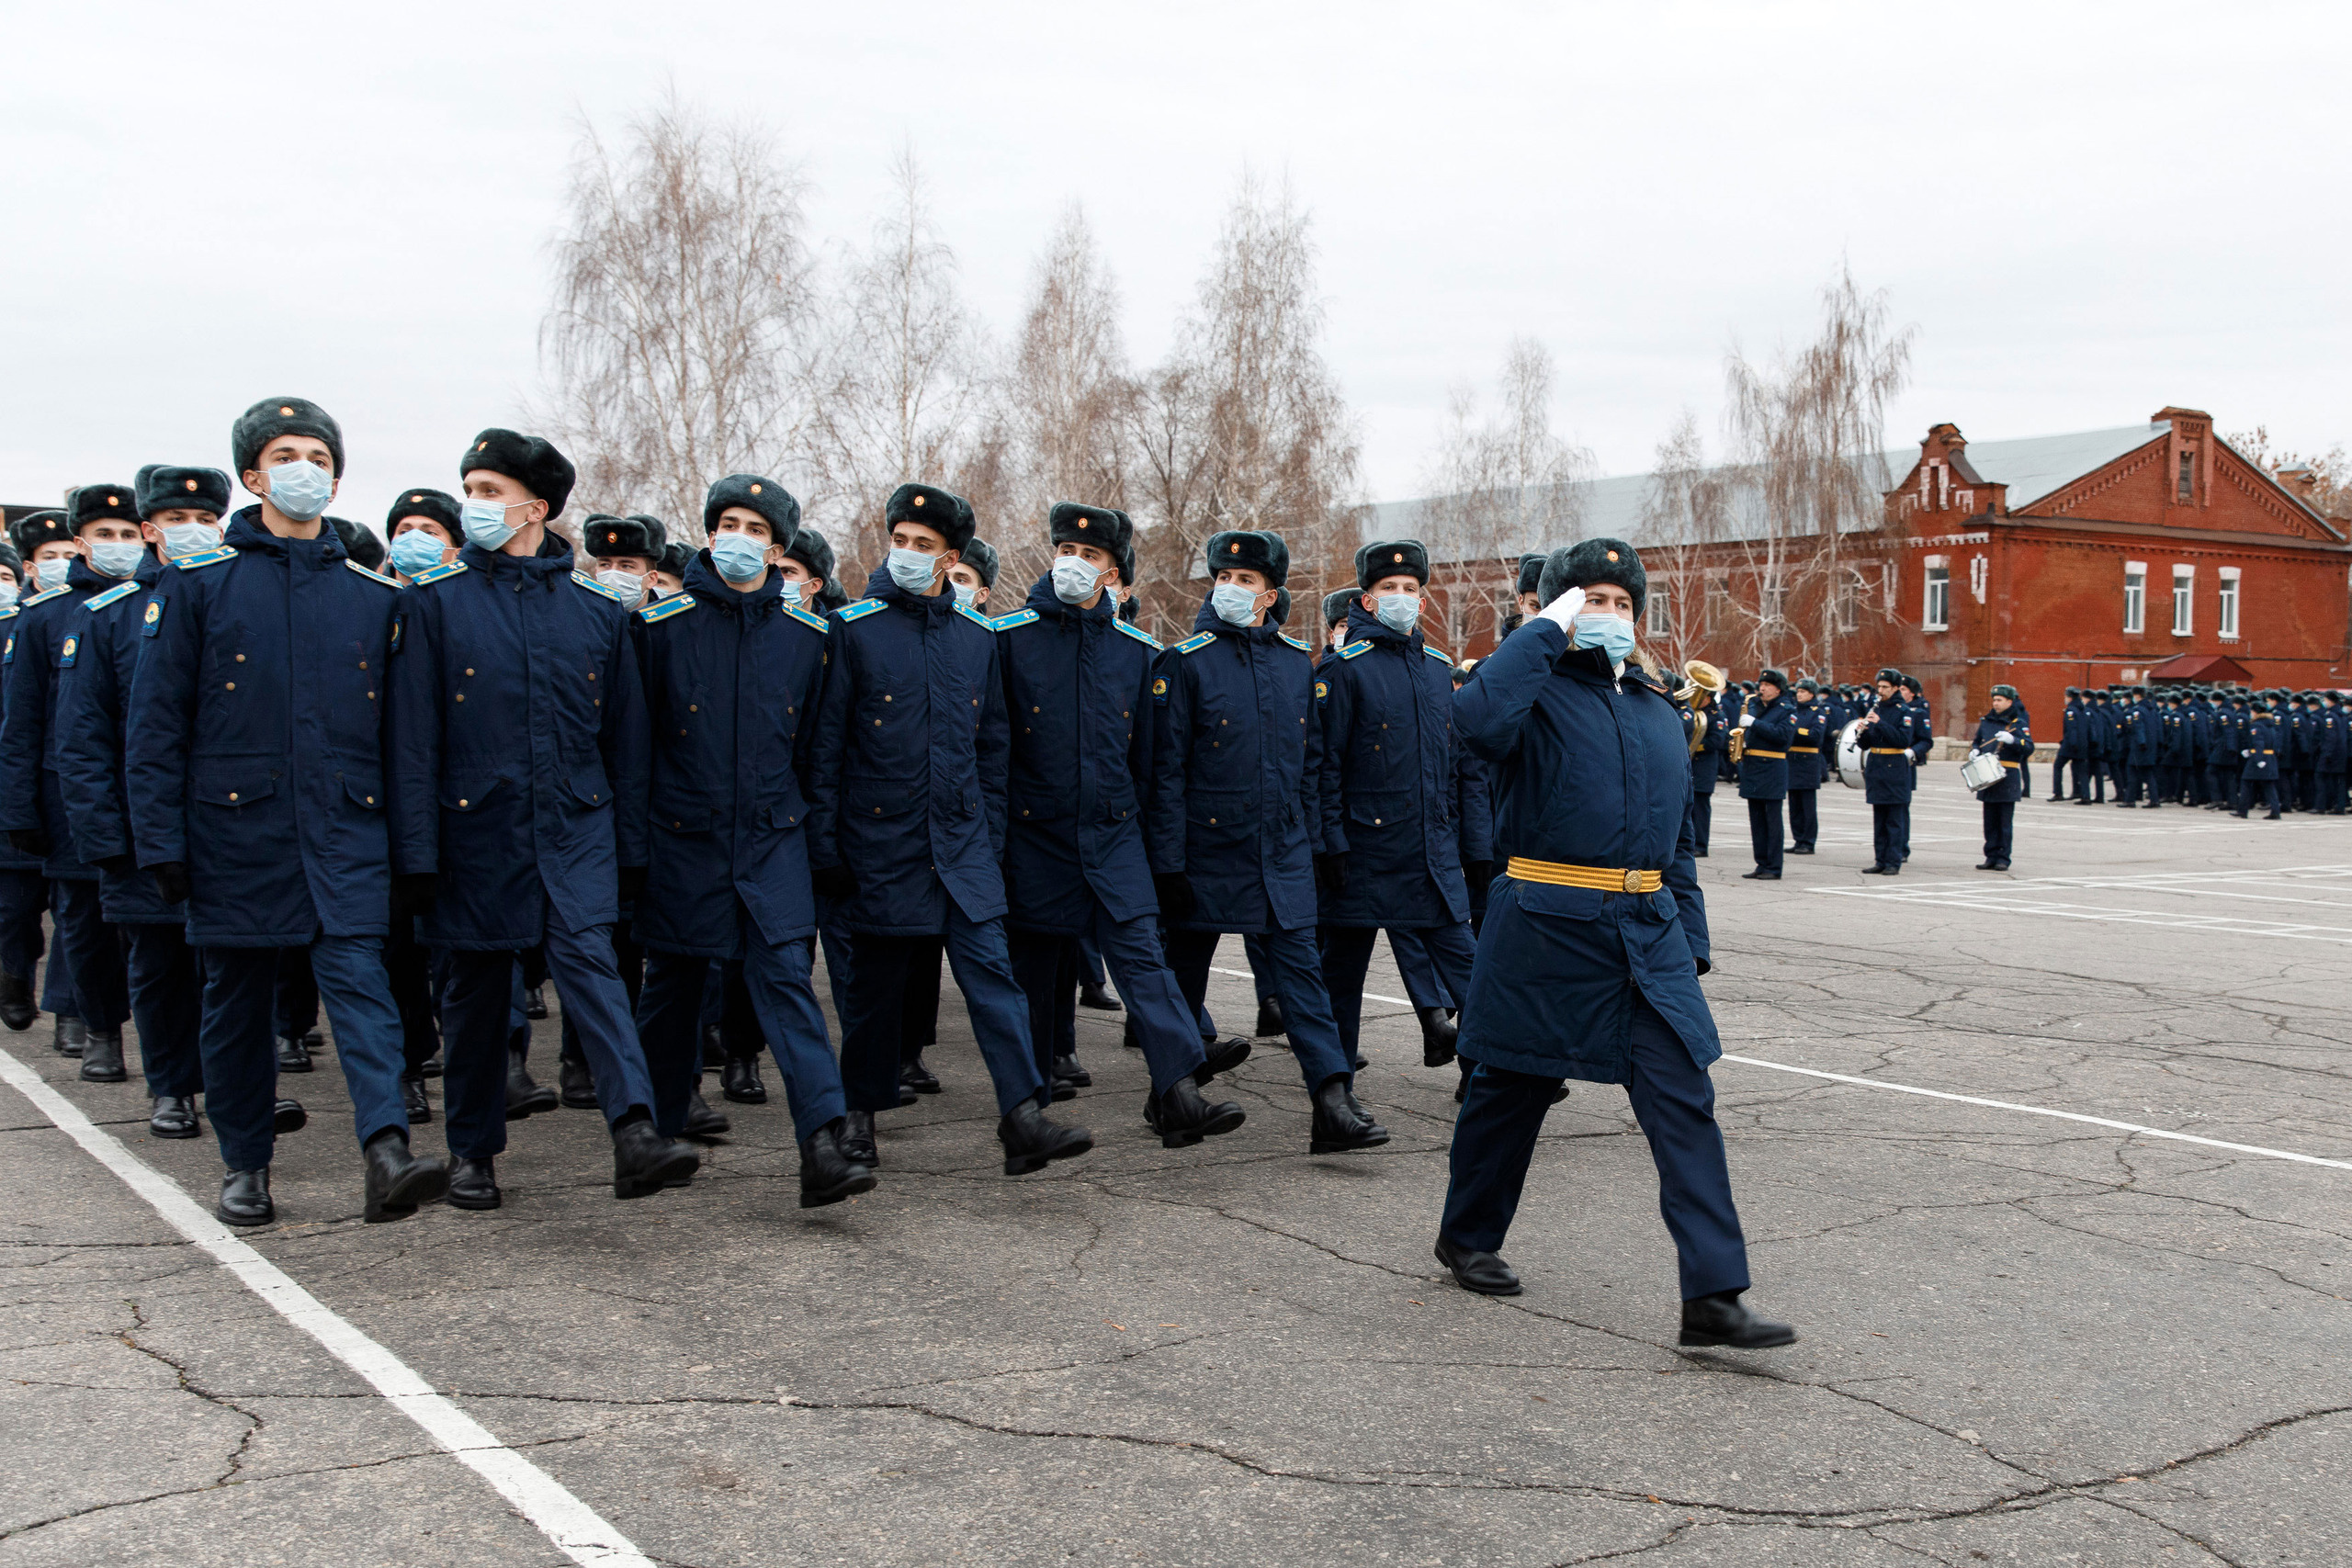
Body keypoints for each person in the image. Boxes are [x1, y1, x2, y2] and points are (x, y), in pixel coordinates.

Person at [1433, 536, 1792, 1347]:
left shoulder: (1657, 710)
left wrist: (1689, 940)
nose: (1612, 615)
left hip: (1645, 937)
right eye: (1592, 599)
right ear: (1561, 610)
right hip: (1545, 930)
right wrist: (1546, 630)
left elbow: (1678, 840)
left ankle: (1712, 1294)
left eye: (1623, 602)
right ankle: (1467, 1235)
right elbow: (1476, 722)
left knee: (1684, 1100)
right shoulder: (1528, 695)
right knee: (1509, 1095)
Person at [126, 396, 440, 1224]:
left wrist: (413, 852)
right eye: (288, 454)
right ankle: (245, 1164)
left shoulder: (374, 598)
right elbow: (155, 727)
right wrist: (159, 844)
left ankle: (386, 1150)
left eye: (321, 457)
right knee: (237, 1004)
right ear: (254, 474)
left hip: (345, 828)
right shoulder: (197, 588)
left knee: (362, 989)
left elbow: (403, 741)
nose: (307, 469)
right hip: (235, 833)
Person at [386, 426, 698, 1207]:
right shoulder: (434, 604)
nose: (474, 505)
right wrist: (416, 857)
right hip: (476, 834)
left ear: (537, 507)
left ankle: (634, 1131)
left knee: (594, 974)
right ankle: (472, 1153)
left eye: (489, 492)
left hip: (575, 827)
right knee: (478, 996)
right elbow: (414, 741)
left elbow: (625, 742)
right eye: (472, 489)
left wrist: (629, 850)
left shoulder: (596, 612)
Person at [806, 482, 1093, 1175]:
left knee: (994, 981)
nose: (906, 553)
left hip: (961, 848)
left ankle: (1022, 1116)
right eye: (899, 540)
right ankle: (858, 1118)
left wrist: (988, 842)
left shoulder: (976, 638)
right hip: (880, 845)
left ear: (950, 556)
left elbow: (992, 751)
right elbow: (825, 751)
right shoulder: (854, 630)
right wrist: (826, 848)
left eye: (922, 545)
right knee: (876, 996)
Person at [628, 474, 874, 1206]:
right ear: (709, 533)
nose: (739, 536)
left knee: (787, 987)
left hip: (772, 843)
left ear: (776, 547)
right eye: (727, 522)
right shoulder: (659, 628)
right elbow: (635, 752)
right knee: (670, 993)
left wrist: (818, 843)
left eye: (756, 528)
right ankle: (651, 1135)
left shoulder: (807, 639)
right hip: (683, 841)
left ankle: (821, 1143)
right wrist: (632, 854)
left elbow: (817, 754)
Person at [994, 502, 1247, 1145]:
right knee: (1030, 980)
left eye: (1090, 556)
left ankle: (1179, 1093)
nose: (1073, 563)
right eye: (1065, 551)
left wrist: (1161, 855)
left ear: (1112, 572)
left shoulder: (1136, 652)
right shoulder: (1008, 640)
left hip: (1112, 838)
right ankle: (1023, 1112)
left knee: (1146, 964)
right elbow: (991, 756)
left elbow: (1153, 767)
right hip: (1035, 838)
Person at [1149, 528, 1387, 1155]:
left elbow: (1309, 765)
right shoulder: (1187, 661)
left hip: (1279, 851)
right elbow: (1166, 773)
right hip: (1204, 852)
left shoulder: (1292, 663)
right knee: (1182, 977)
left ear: (1270, 593)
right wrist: (1166, 861)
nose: (1230, 587)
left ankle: (1331, 1102)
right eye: (1222, 577)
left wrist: (1317, 843)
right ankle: (1169, 1092)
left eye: (1245, 580)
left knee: (1301, 978)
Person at [56, 465, 226, 1133]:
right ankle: (173, 1085)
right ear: (153, 530)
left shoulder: (236, 601)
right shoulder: (107, 618)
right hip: (140, 828)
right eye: (175, 521)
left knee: (232, 969)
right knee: (157, 965)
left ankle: (237, 1084)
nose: (192, 531)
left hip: (228, 824)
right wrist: (105, 840)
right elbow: (83, 741)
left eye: (204, 518)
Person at [1316, 537, 1486, 1071]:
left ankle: (1491, 1076)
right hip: (1362, 855)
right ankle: (1334, 1091)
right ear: (1366, 600)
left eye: (1410, 589)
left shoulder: (1438, 669)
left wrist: (1455, 834)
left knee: (1471, 970)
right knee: (1341, 978)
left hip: (1428, 855)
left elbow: (1451, 764)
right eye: (1388, 588)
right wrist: (1330, 844)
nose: (1400, 597)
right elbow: (1322, 768)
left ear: (1424, 600)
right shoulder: (1344, 670)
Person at [1, 489, 140, 1077]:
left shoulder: (163, 602)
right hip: (70, 796)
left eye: (127, 533)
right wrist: (19, 812)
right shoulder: (45, 616)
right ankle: (94, 1026)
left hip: (147, 793)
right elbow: (22, 723)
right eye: (102, 535)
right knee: (83, 919)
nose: (117, 546)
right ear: (80, 543)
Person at [0, 536, 46, 1034]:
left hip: (32, 783)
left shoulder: (27, 627)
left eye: (6, 577)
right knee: (13, 908)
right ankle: (14, 976)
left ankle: (73, 1010)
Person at [1733, 669, 1794, 881]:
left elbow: (1783, 736)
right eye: (1761, 684)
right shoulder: (1755, 706)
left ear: (1778, 689)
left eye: (1767, 685)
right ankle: (1761, 863)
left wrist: (1755, 724)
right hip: (1753, 768)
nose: (1762, 688)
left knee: (1772, 821)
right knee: (1757, 820)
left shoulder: (1786, 709)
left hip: (1772, 768)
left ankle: (1774, 867)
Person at [1857, 670, 1917, 875]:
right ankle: (1880, 859)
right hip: (1876, 764)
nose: (1880, 691)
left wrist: (1879, 723)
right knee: (1879, 817)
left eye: (1884, 688)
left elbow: (1902, 740)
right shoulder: (1875, 708)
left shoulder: (1903, 711)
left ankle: (1893, 861)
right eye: (1879, 687)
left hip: (1894, 766)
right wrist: (1862, 732)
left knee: (1893, 819)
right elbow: (1865, 744)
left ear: (1894, 688)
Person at [1969, 685, 2034, 870]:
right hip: (1987, 775)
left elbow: (2028, 747)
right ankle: (1990, 855)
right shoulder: (1987, 721)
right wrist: (1974, 750)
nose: (1995, 703)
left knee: (2004, 821)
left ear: (2009, 702)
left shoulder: (2017, 722)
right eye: (1994, 700)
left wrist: (2012, 740)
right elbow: (1978, 740)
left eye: (1999, 700)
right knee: (1989, 820)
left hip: (2007, 776)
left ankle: (2003, 858)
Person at [1785, 677, 1828, 854]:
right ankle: (1798, 839)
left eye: (1803, 692)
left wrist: (1793, 731)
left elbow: (1815, 735)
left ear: (1811, 694)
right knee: (1794, 805)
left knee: (1807, 806)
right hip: (1792, 761)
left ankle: (1808, 841)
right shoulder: (1793, 710)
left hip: (1808, 762)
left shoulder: (1817, 712)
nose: (1799, 695)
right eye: (1798, 692)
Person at [1686, 669, 1726, 857]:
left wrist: (1694, 746)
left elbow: (1717, 741)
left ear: (1708, 698)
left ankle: (1701, 844)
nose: (1696, 697)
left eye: (1700, 695)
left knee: (1701, 810)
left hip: (1704, 767)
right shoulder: (1691, 713)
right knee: (1689, 809)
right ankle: (1689, 843)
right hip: (1692, 767)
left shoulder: (1716, 716)